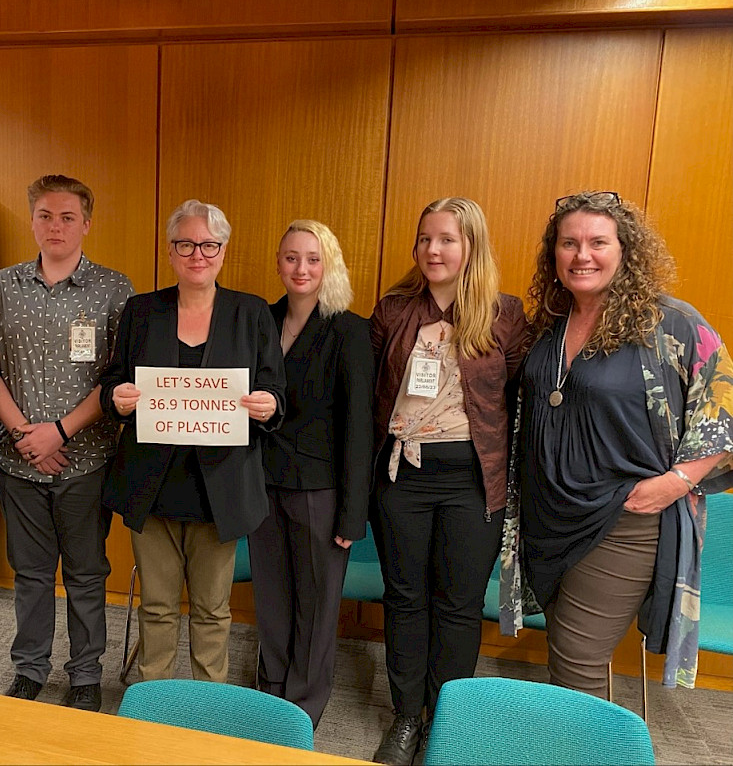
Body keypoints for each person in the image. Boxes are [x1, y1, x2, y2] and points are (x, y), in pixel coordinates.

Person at [500, 191, 733, 695]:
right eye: (569, 243)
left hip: (623, 520)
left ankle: (590, 749)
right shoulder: (551, 324)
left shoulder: (670, 323)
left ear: (626, 250)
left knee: (576, 661)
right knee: (567, 652)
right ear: (554, 254)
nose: (582, 255)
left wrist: (677, 482)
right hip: (551, 517)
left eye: (598, 242)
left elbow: (724, 409)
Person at [101, 199, 286, 684]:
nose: (197, 254)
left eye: (208, 245)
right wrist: (115, 397)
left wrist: (269, 405)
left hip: (221, 488)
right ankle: (152, 703)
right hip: (153, 483)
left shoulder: (252, 312)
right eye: (186, 244)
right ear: (171, 250)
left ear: (223, 251)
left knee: (211, 610)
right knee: (157, 607)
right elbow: (113, 380)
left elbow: (276, 391)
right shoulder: (142, 310)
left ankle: (208, 707)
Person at [369, 197, 526, 765]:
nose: (433, 250)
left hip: (473, 480)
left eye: (448, 239)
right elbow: (370, 399)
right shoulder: (392, 311)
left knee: (458, 606)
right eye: (425, 239)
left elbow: (518, 400)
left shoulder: (505, 314)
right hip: (402, 477)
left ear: (470, 247)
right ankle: (407, 716)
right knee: (405, 599)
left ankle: (446, 718)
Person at [0, 175, 134, 712]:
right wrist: (25, 434)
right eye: (45, 215)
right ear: (33, 221)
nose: (56, 226)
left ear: (86, 223)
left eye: (67, 217)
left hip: (87, 460)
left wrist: (59, 432)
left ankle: (86, 673)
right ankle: (30, 668)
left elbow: (116, 379)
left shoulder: (115, 289)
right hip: (16, 463)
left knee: (88, 574)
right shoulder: (1, 287)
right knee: (32, 574)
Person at [252, 220, 374, 727]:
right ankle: (270, 692)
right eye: (291, 257)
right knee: (273, 597)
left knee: (318, 605)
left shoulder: (348, 328)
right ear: (278, 262)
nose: (301, 268)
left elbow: (359, 425)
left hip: (320, 489)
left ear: (329, 265)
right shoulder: (260, 319)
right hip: (261, 481)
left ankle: (301, 708)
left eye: (313, 258)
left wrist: (352, 513)